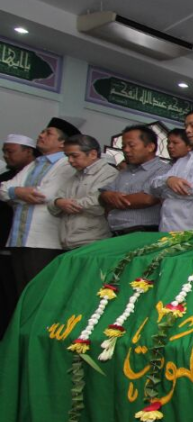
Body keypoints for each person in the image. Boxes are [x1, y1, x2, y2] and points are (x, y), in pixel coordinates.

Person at [1, 117, 78, 303]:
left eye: (48, 133)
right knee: (22, 294)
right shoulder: (35, 164)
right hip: (19, 239)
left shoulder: (67, 164)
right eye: (43, 131)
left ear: (62, 143)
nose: (41, 135)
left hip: (44, 241)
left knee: (40, 294)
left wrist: (15, 195)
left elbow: (44, 194)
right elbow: (3, 188)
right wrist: (17, 191)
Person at [48, 134, 119, 250]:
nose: (70, 161)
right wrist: (58, 202)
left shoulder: (109, 173)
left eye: (74, 156)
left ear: (93, 154)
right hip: (67, 241)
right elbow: (52, 204)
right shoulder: (74, 176)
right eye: (68, 156)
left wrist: (66, 204)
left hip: (93, 241)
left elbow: (97, 203)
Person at [0, 133, 40, 335]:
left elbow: (41, 196)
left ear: (28, 152)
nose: (7, 156)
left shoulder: (41, 172)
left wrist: (15, 193)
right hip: (10, 242)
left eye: (11, 151)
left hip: (35, 244)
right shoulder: (6, 178)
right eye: (4, 152)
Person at [100, 125, 166, 235]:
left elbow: (147, 199)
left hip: (143, 234)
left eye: (131, 146)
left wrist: (112, 200)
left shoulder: (162, 170)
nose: (126, 150)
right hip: (116, 233)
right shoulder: (125, 172)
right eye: (123, 146)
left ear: (150, 147)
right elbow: (103, 196)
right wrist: (107, 196)